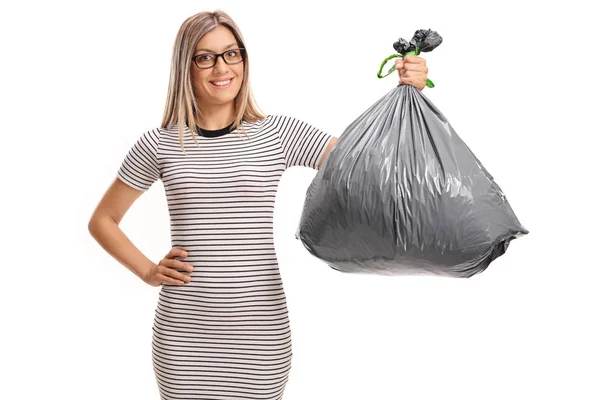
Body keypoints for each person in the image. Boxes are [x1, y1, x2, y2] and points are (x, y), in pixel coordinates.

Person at [88, 9, 429, 400]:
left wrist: (410, 96)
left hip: (260, 334)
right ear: (186, 66)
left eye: (232, 53)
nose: (222, 67)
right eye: (205, 56)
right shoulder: (160, 144)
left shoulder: (278, 134)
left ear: (244, 60)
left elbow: (371, 163)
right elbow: (103, 220)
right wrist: (148, 271)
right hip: (183, 337)